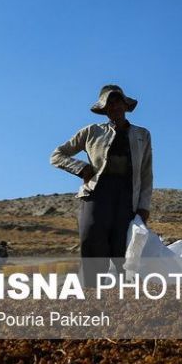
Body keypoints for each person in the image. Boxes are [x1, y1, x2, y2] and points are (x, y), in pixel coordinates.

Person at [50, 85, 153, 287]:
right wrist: (81, 168)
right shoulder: (91, 132)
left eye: (117, 101)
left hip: (127, 198)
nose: (113, 106)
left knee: (122, 250)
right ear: (104, 109)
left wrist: (144, 207)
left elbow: (146, 173)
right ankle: (90, 298)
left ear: (125, 104)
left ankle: (125, 304)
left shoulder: (142, 135)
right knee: (91, 243)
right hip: (97, 195)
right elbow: (57, 155)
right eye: (109, 103)